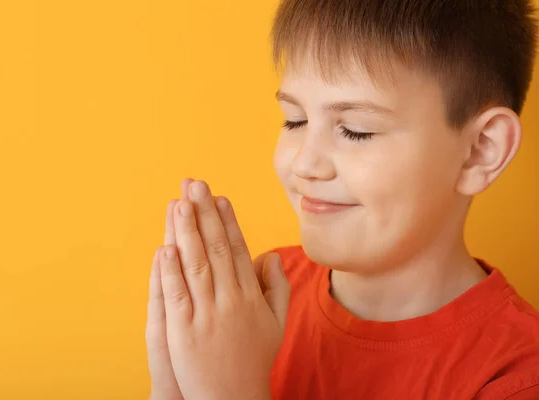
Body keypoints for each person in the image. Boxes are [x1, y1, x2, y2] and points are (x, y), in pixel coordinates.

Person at [146, 0, 539, 399]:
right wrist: (171, 386)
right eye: (294, 120)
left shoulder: (517, 375)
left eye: (356, 130)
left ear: (480, 151)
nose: (304, 164)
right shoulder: (256, 301)